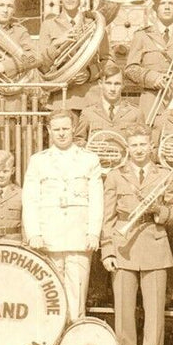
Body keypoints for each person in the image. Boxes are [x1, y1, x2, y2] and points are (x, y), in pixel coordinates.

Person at [101, 129, 173, 345]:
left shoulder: (165, 175)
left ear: (151, 146)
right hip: (123, 245)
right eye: (134, 145)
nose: (138, 149)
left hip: (154, 242)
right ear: (128, 148)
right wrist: (108, 250)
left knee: (154, 309)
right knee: (124, 308)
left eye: (143, 144)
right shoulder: (115, 176)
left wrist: (159, 211)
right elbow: (108, 217)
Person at [22, 109, 104, 325]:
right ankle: (51, 340)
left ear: (73, 129)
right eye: (56, 129)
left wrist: (93, 232)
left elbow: (97, 199)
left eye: (65, 129)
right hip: (49, 237)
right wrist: (34, 233)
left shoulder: (89, 159)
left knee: (77, 296)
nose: (61, 133)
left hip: (79, 236)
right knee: (49, 296)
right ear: (49, 130)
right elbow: (30, 199)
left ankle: (74, 338)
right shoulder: (38, 161)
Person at [37, 0, 110, 112]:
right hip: (61, 99)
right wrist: (57, 43)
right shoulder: (48, 25)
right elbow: (42, 66)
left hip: (91, 100)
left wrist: (90, 73)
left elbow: (108, 61)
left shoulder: (94, 24)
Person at [124, 0, 173, 119]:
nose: (167, 7)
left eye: (171, 4)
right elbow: (130, 69)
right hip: (151, 103)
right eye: (162, 3)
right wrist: (153, 78)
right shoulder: (142, 36)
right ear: (155, 8)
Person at [76, 63, 141, 144]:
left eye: (117, 84)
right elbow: (78, 141)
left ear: (123, 85)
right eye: (108, 83)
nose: (112, 89)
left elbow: (143, 143)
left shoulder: (135, 113)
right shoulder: (88, 113)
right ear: (100, 84)